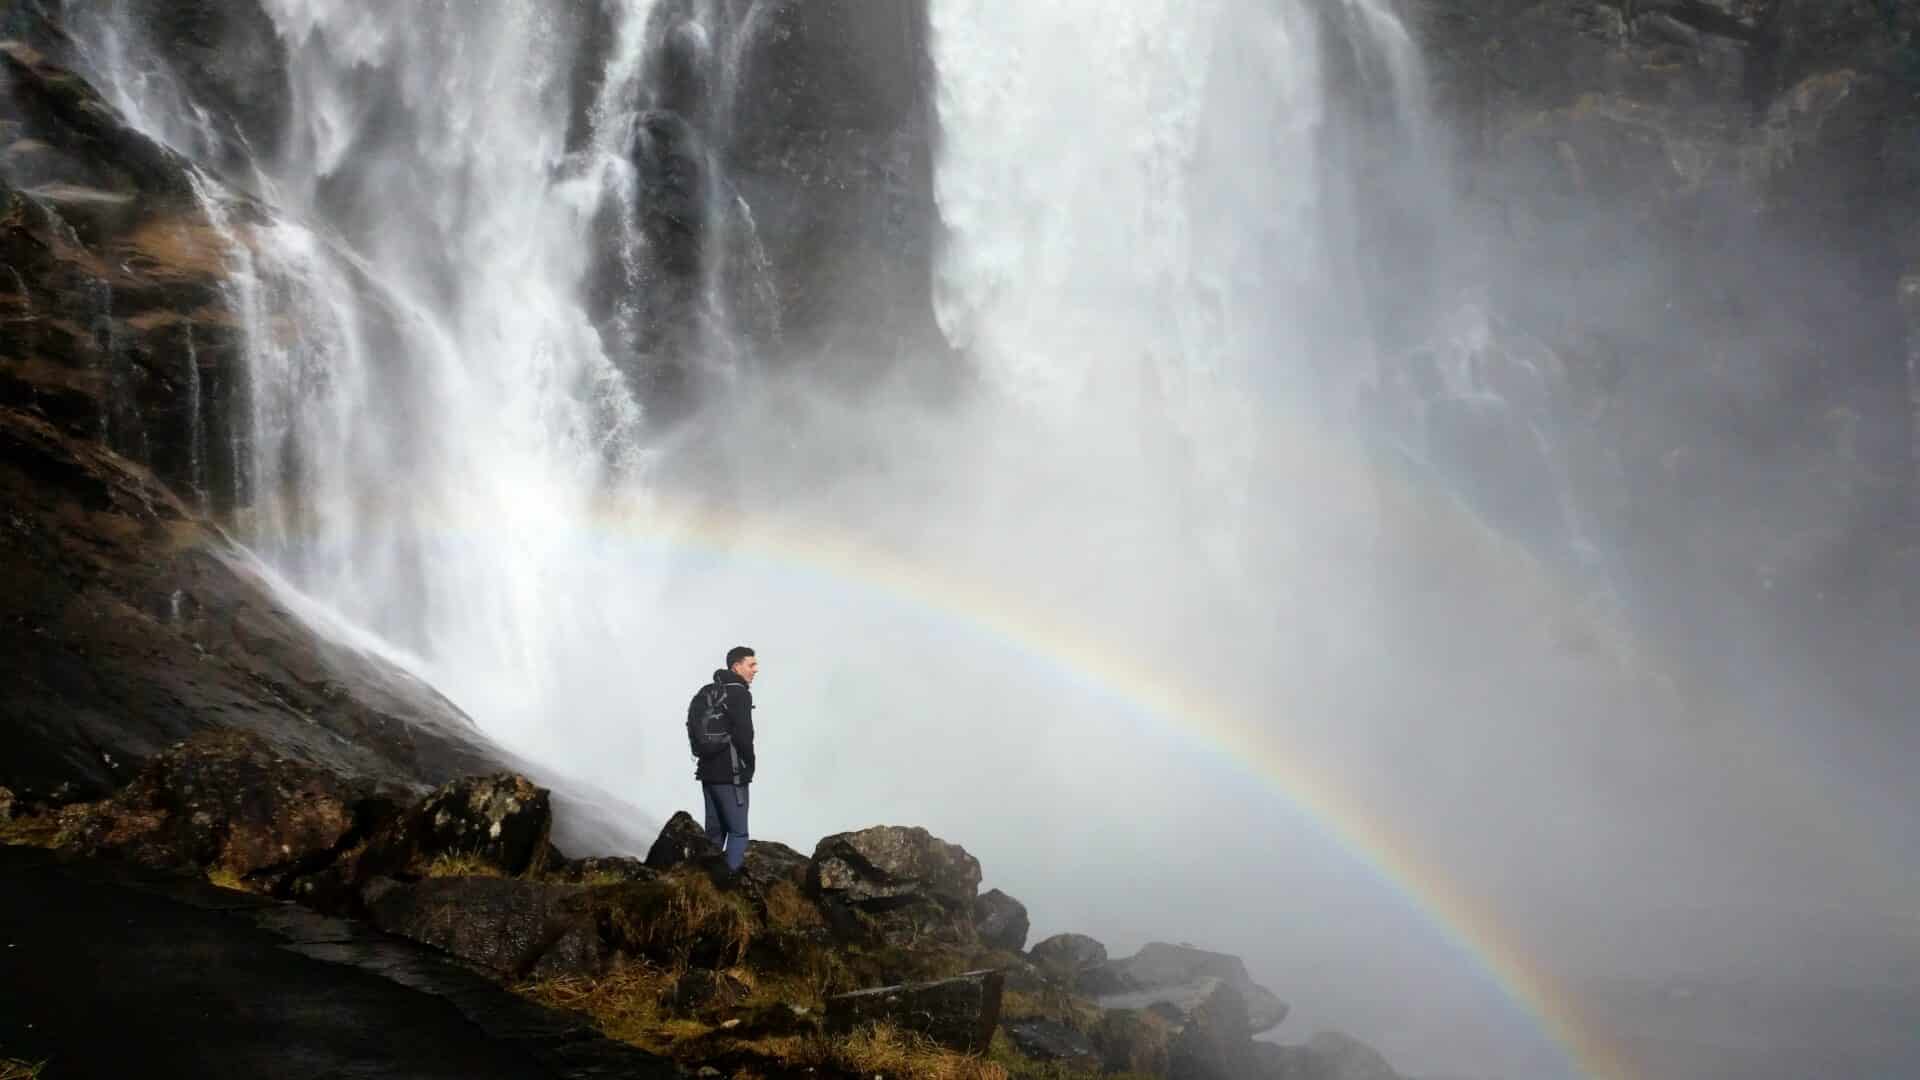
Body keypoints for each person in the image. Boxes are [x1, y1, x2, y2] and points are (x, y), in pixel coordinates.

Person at [689, 645, 757, 874]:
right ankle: (727, 886)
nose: (755, 670)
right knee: (738, 833)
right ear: (736, 667)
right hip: (732, 774)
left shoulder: (708, 692)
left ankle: (704, 882)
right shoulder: (740, 694)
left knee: (714, 833)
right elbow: (744, 736)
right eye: (751, 664)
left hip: (707, 773)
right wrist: (750, 766)